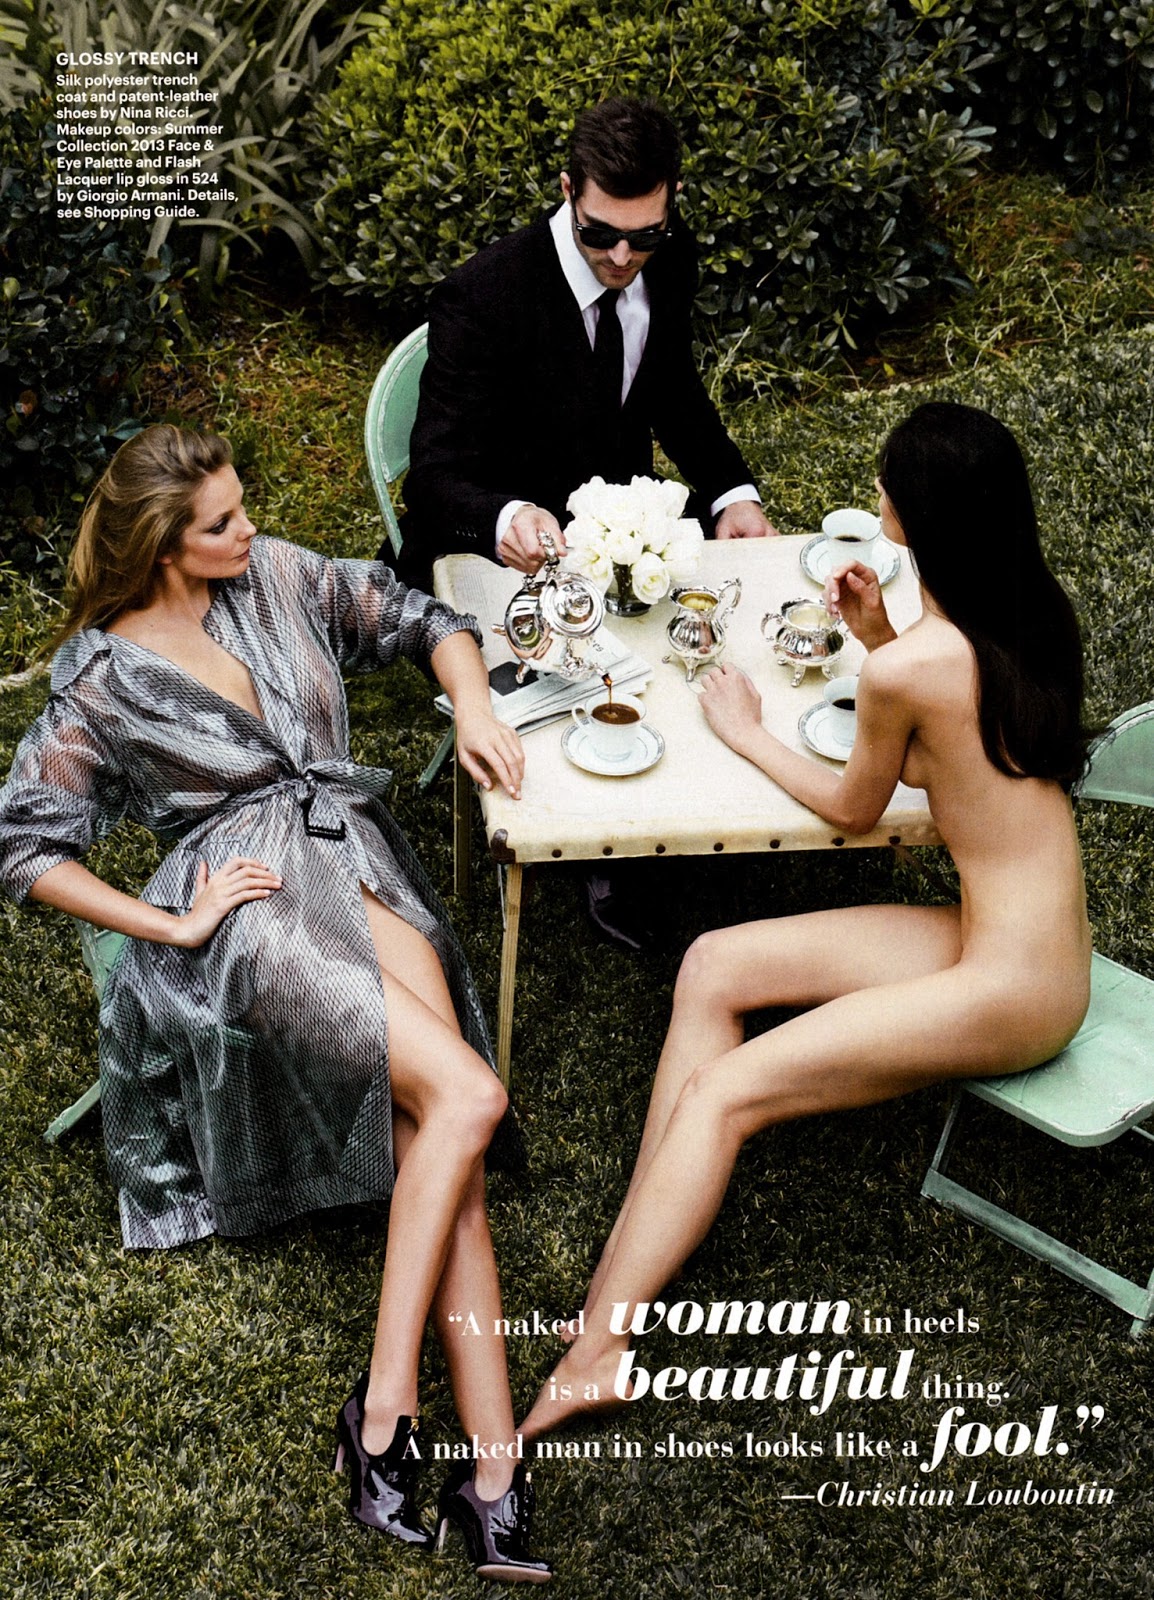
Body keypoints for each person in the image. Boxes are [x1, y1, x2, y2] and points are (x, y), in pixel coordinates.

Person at [0, 426, 551, 1582]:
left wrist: (472, 704)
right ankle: (386, 1408)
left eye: (243, 507)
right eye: (222, 522)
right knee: (466, 1097)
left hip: (352, 856)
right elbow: (25, 846)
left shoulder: (280, 574)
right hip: (250, 905)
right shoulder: (102, 679)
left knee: (438, 1130)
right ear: (164, 544)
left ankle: (493, 1471)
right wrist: (167, 924)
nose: (250, 529)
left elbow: (420, 616)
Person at [518, 401, 1092, 1439]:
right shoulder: (1023, 616)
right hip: (1013, 939)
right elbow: (953, 730)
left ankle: (600, 1349)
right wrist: (876, 637)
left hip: (1014, 989)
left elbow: (853, 808)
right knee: (712, 964)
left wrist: (743, 728)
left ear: (915, 516)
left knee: (727, 1091)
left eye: (885, 486)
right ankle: (623, 1271)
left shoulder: (912, 669)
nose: (874, 495)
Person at [392, 95, 776, 591]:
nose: (621, 256)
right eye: (599, 233)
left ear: (672, 198)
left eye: (645, 235)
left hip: (626, 542)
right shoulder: (481, 296)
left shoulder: (673, 254)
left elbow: (675, 390)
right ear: (568, 190)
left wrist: (732, 493)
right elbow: (433, 475)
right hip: (500, 557)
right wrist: (505, 518)